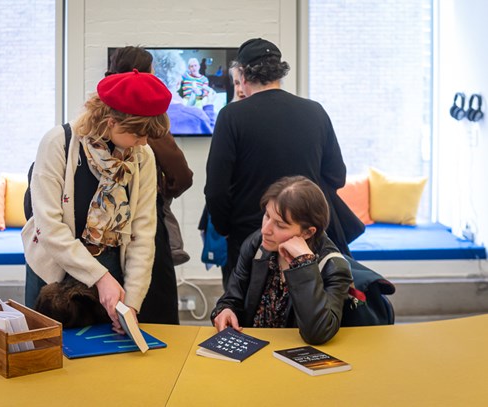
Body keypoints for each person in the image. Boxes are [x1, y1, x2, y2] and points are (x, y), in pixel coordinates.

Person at [204, 38, 363, 290]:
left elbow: (216, 189)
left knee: (244, 311)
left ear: (243, 75)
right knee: (302, 309)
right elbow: (336, 176)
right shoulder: (315, 112)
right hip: (303, 238)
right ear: (280, 71)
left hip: (250, 238)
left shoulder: (231, 116)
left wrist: (226, 228)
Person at [22, 70, 172, 332]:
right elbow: (48, 227)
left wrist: (132, 304)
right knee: (48, 354)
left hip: (109, 271)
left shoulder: (142, 156)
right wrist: (100, 278)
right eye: (137, 135)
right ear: (111, 121)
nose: (144, 143)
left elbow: (142, 234)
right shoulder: (59, 143)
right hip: (54, 270)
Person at [106, 46, 194, 324]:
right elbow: (182, 175)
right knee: (155, 302)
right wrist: (161, 195)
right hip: (144, 223)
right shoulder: (144, 119)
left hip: (100, 231)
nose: (140, 141)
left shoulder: (92, 123)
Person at [211, 176, 353, 345]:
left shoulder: (332, 266)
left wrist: (304, 264)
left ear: (307, 233)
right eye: (267, 215)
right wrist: (225, 310)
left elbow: (318, 333)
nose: (265, 229)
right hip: (255, 351)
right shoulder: (257, 246)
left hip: (297, 356)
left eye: (280, 225)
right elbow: (233, 297)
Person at [152, 50, 216, 135]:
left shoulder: (141, 117)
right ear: (179, 82)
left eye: (195, 65)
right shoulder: (197, 117)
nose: (194, 68)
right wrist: (209, 108)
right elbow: (213, 135)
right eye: (191, 66)